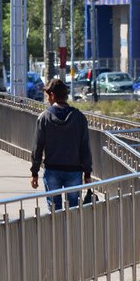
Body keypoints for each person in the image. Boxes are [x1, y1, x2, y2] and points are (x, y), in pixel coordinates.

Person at [29, 78, 93, 210]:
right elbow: (85, 148)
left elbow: (38, 147)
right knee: (74, 209)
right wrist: (87, 173)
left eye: (47, 96)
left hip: (52, 170)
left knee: (54, 210)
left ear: (52, 95)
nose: (47, 99)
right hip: (74, 171)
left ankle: (57, 225)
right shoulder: (79, 117)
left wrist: (34, 172)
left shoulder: (44, 117)